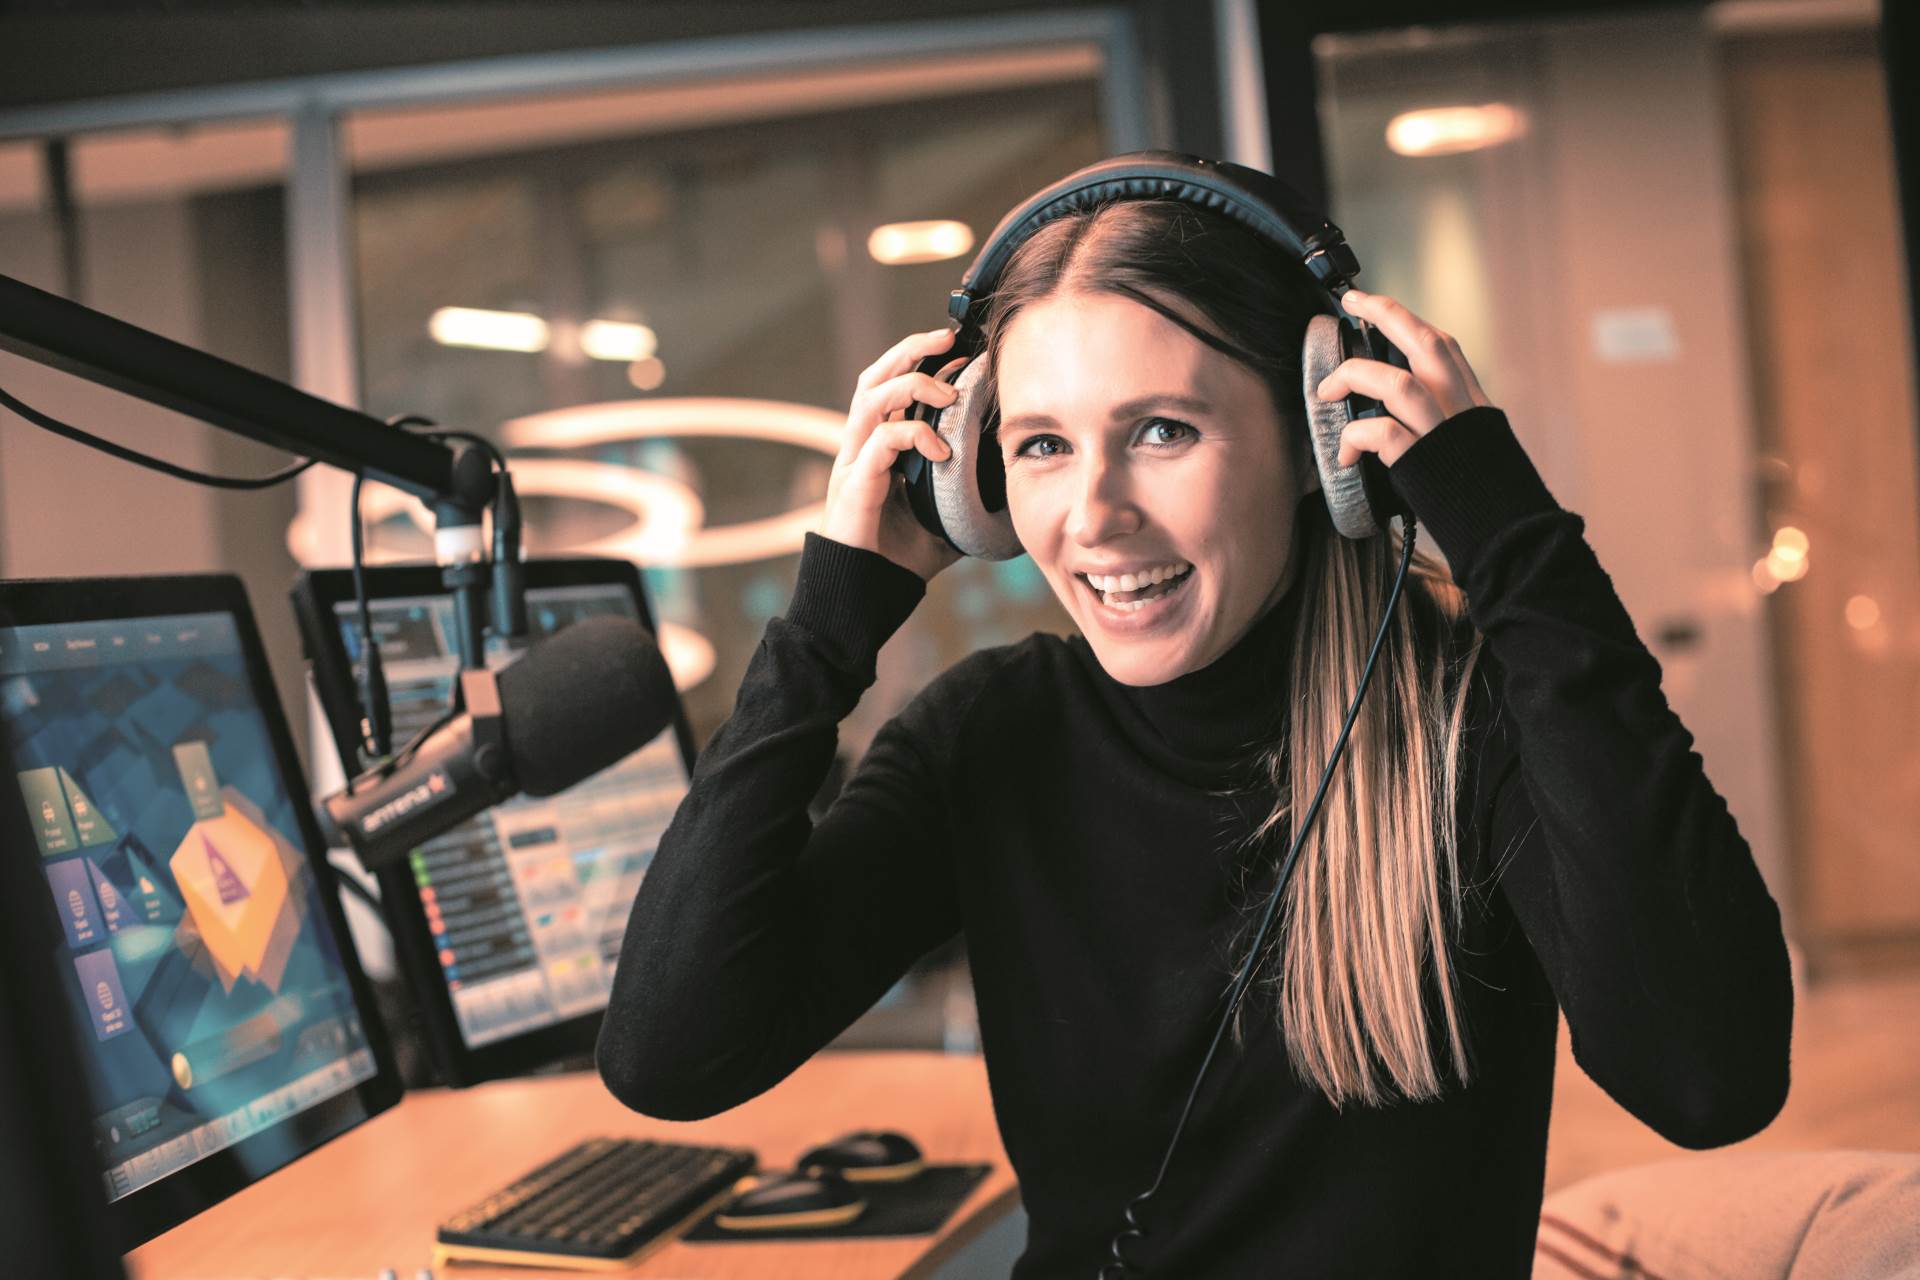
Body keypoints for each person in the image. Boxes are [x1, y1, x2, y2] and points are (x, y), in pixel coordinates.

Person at [596, 173, 1794, 1278]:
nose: (1095, 515)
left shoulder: (1465, 721)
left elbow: (1710, 1079)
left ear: (1318, 444)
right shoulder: (992, 737)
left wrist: (1512, 540)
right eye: (1043, 446)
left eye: (1163, 430)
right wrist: (822, 630)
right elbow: (671, 1057)